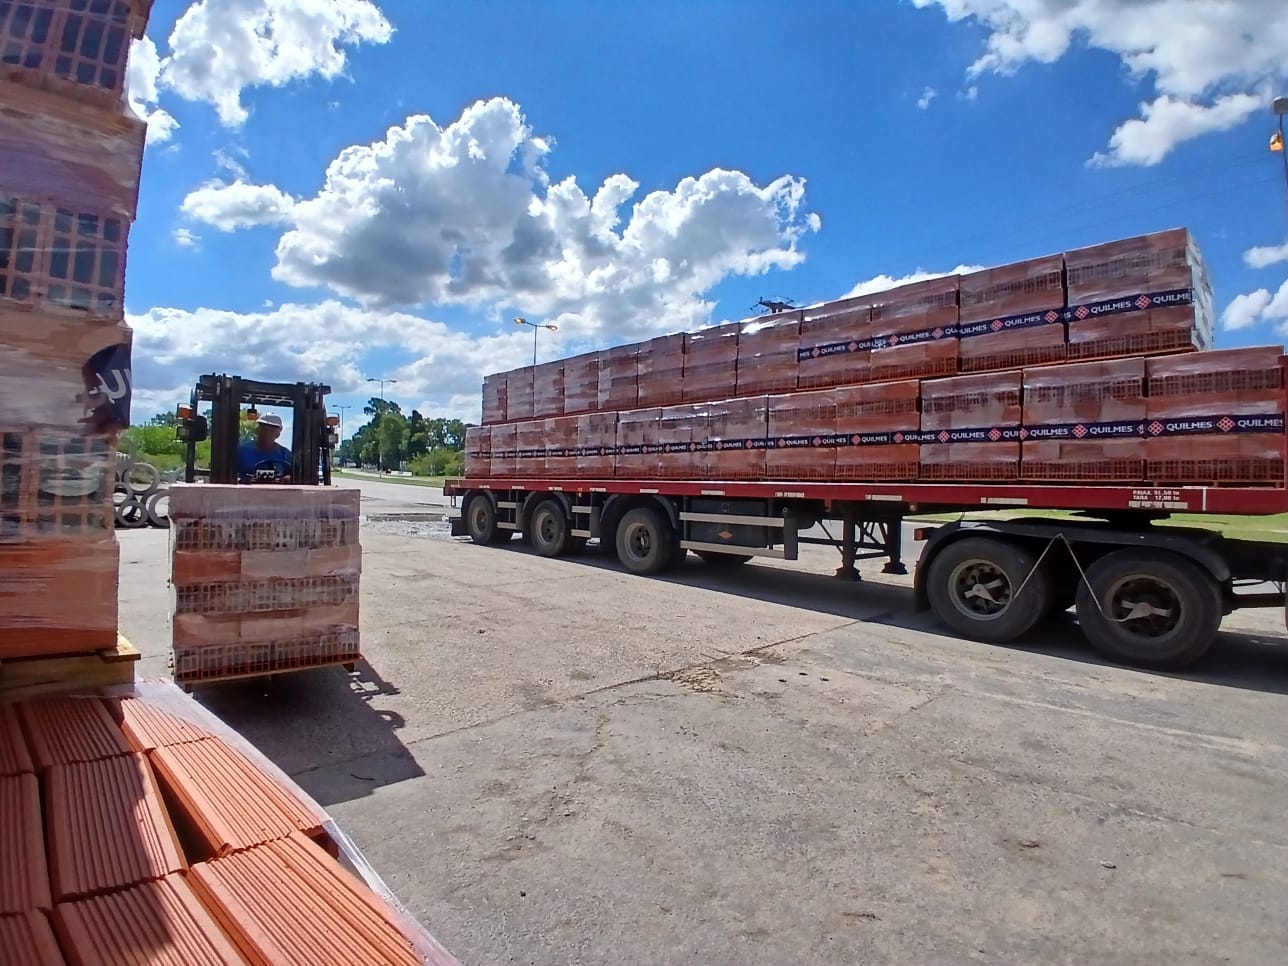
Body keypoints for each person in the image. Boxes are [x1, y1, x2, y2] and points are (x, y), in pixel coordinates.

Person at [237, 412, 292, 480]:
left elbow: (295, 476)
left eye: (272, 429)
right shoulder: (242, 451)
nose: (267, 432)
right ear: (257, 430)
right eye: (263, 428)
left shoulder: (286, 455)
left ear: (278, 433)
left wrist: (287, 478)